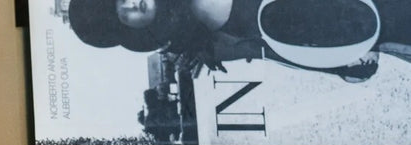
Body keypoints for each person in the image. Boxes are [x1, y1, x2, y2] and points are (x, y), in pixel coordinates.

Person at [68, 0, 408, 79]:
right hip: (350, 20)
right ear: (133, 29)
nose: (133, 3)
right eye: (125, 12)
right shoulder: (207, 42)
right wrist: (339, 67)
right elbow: (271, 51)